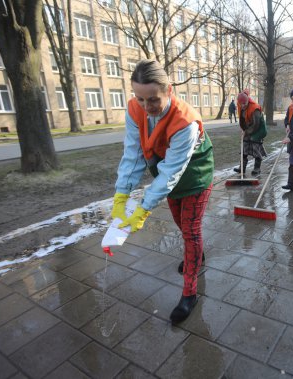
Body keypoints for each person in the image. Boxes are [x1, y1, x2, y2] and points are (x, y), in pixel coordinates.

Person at [110, 60, 214, 324]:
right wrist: (122, 195)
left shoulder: (185, 121)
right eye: (140, 99)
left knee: (190, 230)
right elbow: (133, 152)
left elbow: (172, 172)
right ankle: (197, 254)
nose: (147, 108)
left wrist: (144, 208)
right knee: (182, 225)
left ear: (169, 90)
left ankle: (190, 292)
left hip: (194, 176)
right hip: (167, 176)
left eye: (153, 100)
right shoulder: (136, 110)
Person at [233, 92, 267, 175]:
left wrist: (247, 132)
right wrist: (244, 130)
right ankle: (242, 168)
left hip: (259, 129)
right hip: (249, 128)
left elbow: (256, 124)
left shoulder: (255, 108)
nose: (242, 105)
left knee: (255, 146)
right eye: (241, 104)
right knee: (244, 146)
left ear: (248, 100)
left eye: (244, 103)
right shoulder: (240, 106)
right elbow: (243, 120)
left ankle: (257, 168)